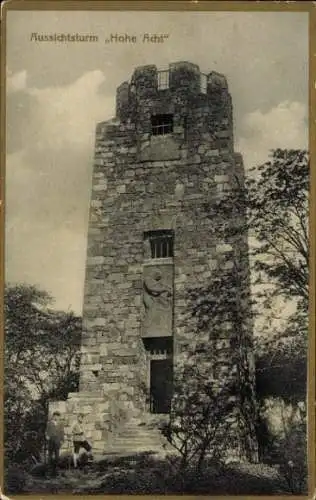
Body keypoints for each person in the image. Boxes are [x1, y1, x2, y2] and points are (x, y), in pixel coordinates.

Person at [45, 411, 64, 476]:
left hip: (57, 441)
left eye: (58, 416)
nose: (56, 417)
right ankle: (49, 471)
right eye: (55, 416)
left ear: (59, 417)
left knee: (57, 456)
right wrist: (47, 436)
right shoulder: (49, 423)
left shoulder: (61, 424)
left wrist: (62, 440)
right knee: (50, 456)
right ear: (53, 416)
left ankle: (56, 471)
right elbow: (47, 432)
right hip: (51, 441)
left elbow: (62, 432)